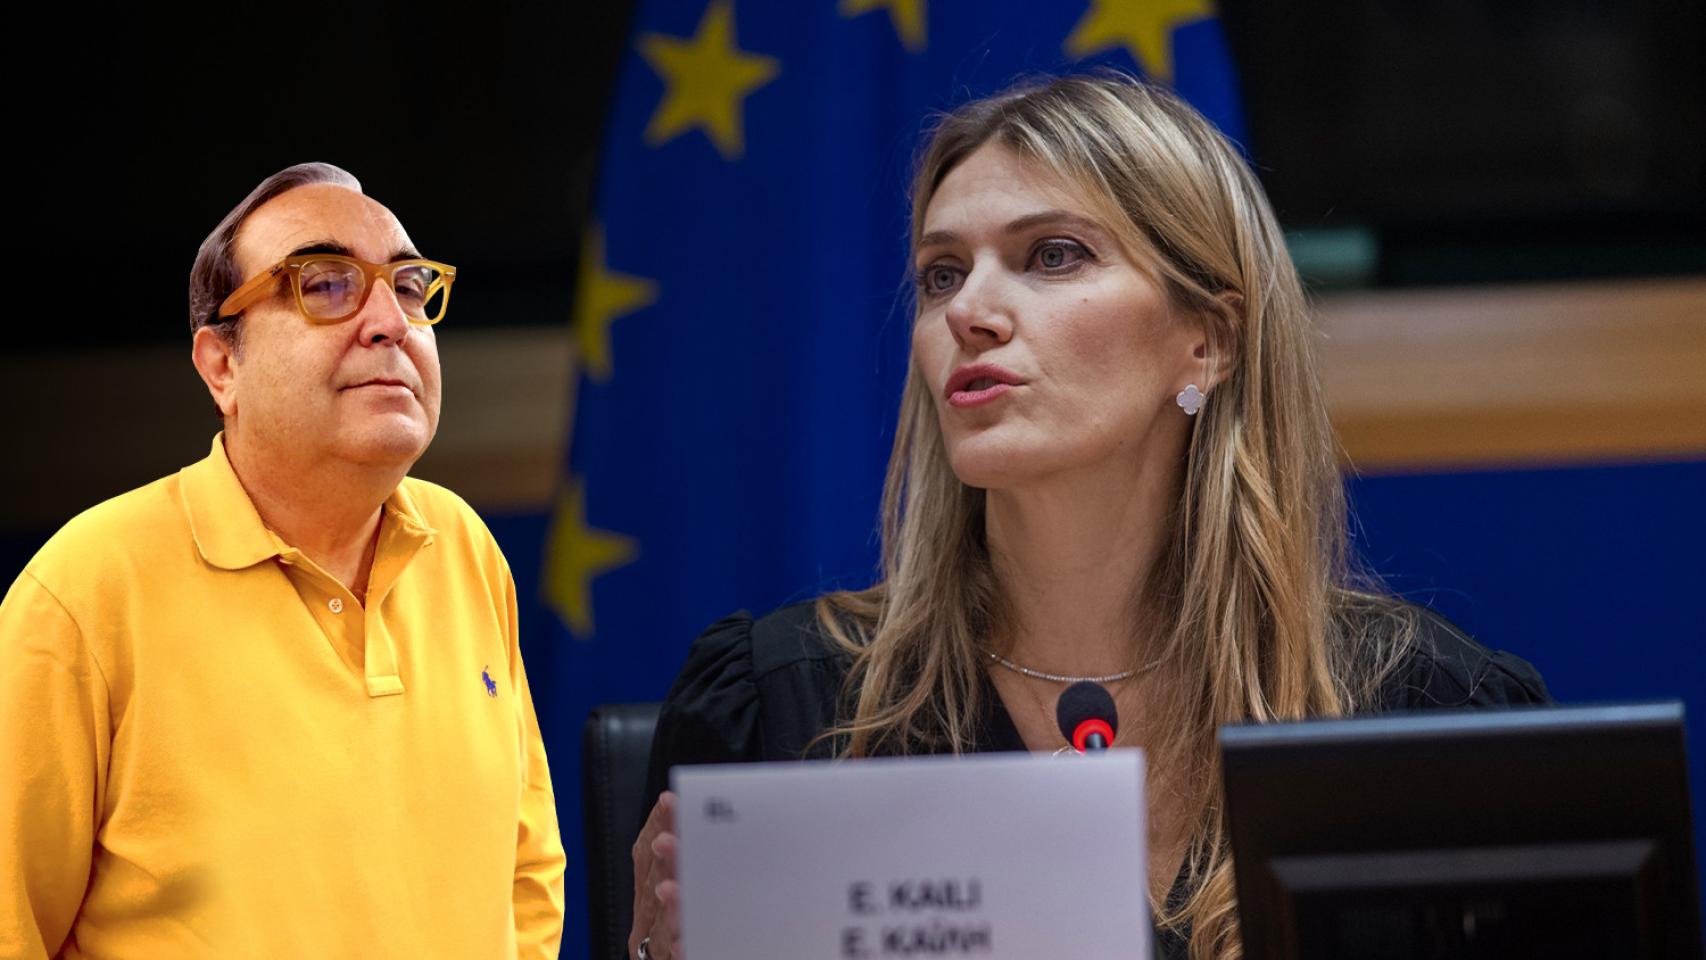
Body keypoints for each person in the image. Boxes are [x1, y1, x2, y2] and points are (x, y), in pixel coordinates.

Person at [628, 73, 1552, 960]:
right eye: (942, 275)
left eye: (1052, 256)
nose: (970, 311)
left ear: (1208, 342)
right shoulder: (784, 710)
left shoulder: (1422, 720)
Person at [0, 163, 565, 958]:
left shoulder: (463, 547)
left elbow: (526, 878)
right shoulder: (86, 588)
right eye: (325, 284)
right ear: (220, 366)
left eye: (409, 287)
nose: (390, 322)